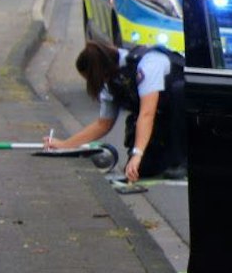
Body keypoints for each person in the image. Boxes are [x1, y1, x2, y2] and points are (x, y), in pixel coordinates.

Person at [44, 40, 187, 181]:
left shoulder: (147, 65)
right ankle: (166, 156)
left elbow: (147, 114)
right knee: (140, 170)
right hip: (160, 118)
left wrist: (137, 154)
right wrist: (64, 145)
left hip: (183, 115)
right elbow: (103, 124)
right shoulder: (110, 81)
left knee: (179, 92)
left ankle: (183, 160)